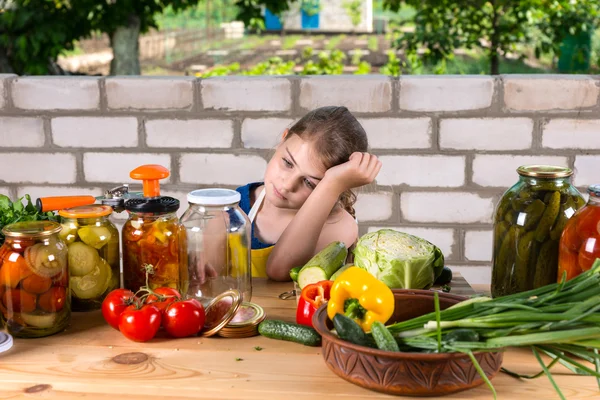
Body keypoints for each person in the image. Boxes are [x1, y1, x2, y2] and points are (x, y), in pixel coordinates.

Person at [236, 106, 382, 281]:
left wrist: (332, 183)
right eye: (288, 163)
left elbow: (279, 269)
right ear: (282, 140)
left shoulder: (339, 224)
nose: (288, 185)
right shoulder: (236, 204)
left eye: (309, 183)